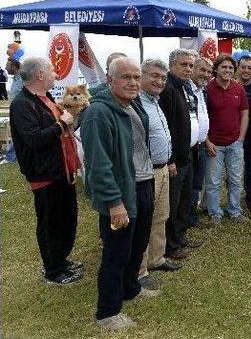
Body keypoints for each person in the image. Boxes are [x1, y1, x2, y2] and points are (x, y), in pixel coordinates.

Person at [81, 57, 158, 330]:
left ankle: (131, 289)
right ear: (110, 80)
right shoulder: (98, 113)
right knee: (117, 252)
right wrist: (114, 203)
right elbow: (98, 165)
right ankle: (107, 312)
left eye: (136, 77)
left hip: (143, 183)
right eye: (126, 77)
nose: (133, 83)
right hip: (122, 191)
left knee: (137, 245)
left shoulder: (131, 104)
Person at [10, 57, 82, 285]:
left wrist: (70, 119)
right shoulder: (22, 104)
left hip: (62, 168)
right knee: (51, 221)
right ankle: (53, 270)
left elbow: (59, 126)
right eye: (51, 70)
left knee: (66, 217)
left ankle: (61, 260)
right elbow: (33, 139)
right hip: (44, 173)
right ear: (39, 74)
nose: (55, 74)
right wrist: (62, 124)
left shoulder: (45, 98)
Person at [137, 59, 182, 291]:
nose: (159, 81)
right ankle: (140, 270)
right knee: (144, 221)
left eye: (163, 78)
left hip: (163, 167)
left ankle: (156, 258)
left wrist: (170, 160)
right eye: (154, 76)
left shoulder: (155, 102)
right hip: (146, 172)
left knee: (160, 216)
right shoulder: (137, 103)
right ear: (141, 76)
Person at [159, 49, 202, 261]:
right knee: (172, 204)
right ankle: (170, 245)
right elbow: (165, 126)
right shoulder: (167, 89)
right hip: (175, 158)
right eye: (184, 65)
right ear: (172, 66)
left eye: (191, 65)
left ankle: (180, 237)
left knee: (184, 201)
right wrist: (170, 160)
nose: (188, 69)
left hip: (189, 153)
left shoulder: (185, 88)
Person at [204, 54, 249, 223]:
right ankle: (215, 213)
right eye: (224, 67)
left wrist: (241, 139)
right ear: (216, 69)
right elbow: (202, 117)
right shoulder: (207, 89)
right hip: (214, 144)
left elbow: (244, 114)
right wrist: (207, 141)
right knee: (213, 182)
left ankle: (235, 211)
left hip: (235, 143)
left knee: (236, 179)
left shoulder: (239, 89)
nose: (228, 70)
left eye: (230, 68)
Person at [188, 57, 212, 229]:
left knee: (197, 182)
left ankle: (191, 216)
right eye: (202, 70)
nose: (205, 75)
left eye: (209, 72)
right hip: (189, 147)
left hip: (201, 144)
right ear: (193, 69)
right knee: (187, 184)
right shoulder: (186, 89)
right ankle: (185, 218)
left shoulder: (202, 90)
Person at [237, 55, 251, 215]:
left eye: (249, 68)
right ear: (238, 68)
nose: (246, 70)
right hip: (234, 136)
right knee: (234, 172)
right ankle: (234, 202)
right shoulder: (232, 86)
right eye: (243, 67)